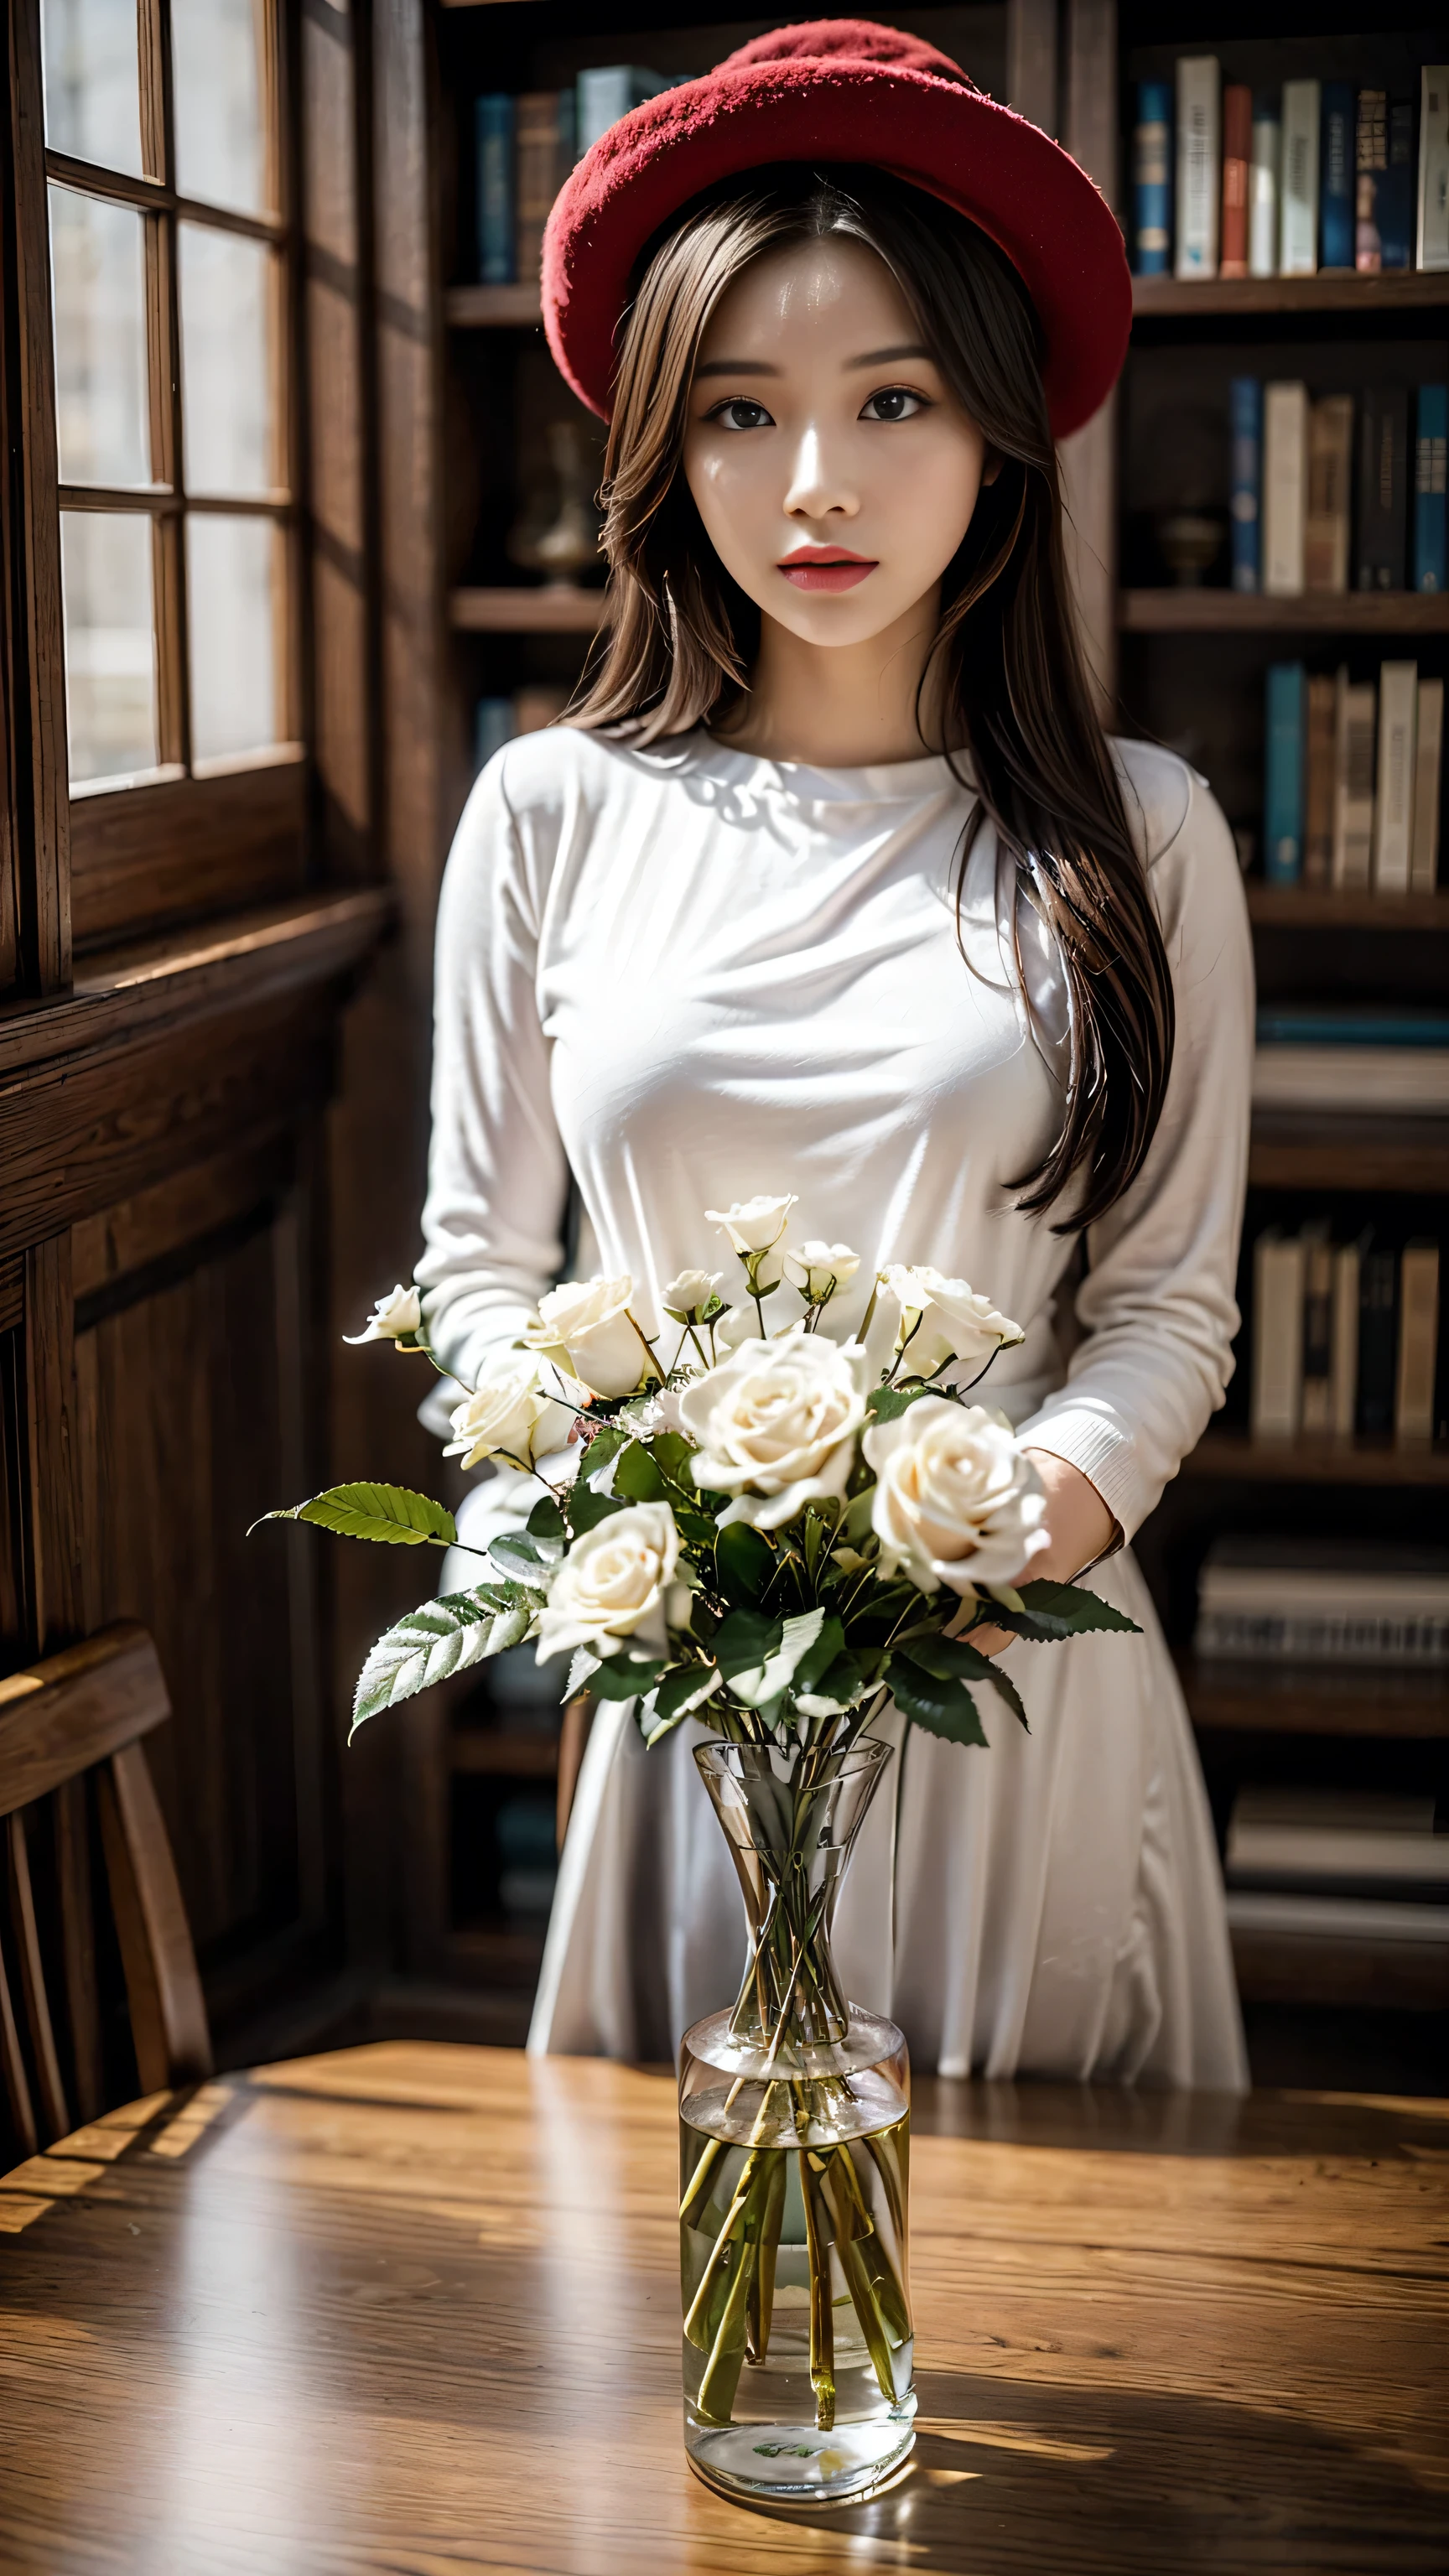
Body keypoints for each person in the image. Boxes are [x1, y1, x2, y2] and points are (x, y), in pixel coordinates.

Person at [417, 22, 1252, 2090]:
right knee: (668, 2315)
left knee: (1090, 2342)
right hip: (694, 1703)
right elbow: (476, 1282)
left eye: (894, 400)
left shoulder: (1139, 832)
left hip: (1016, 1692)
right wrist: (661, 1550)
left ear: (998, 438)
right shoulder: (547, 812)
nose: (816, 484)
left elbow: (1165, 1311)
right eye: (739, 412)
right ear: (660, 456)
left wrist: (984, 1543)